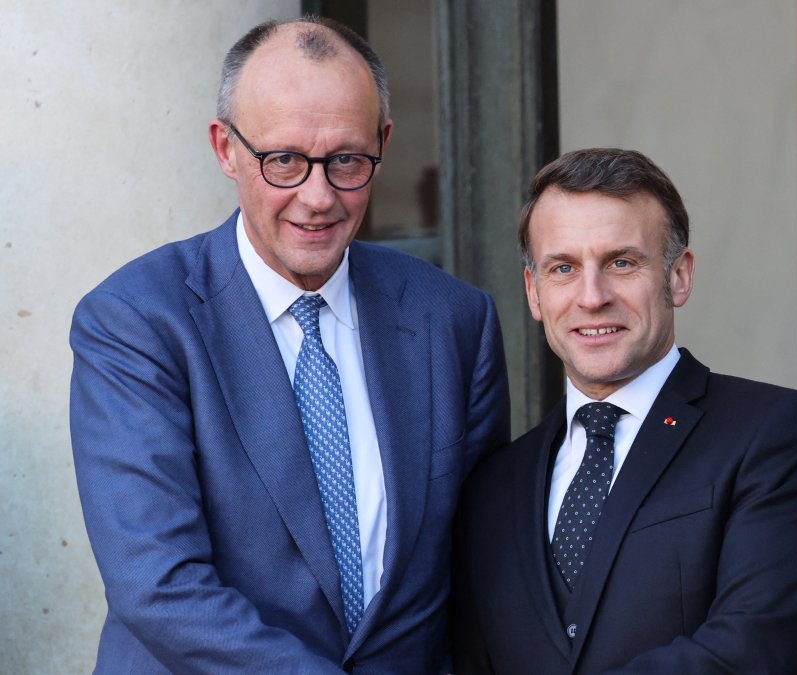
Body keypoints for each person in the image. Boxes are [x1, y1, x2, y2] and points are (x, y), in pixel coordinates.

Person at [69, 17, 509, 673]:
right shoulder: (136, 321)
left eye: (347, 160)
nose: (318, 197)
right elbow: (158, 584)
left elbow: (478, 568)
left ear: (383, 143)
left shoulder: (454, 318)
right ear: (225, 149)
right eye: (284, 160)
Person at [452, 148, 797, 674]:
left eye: (621, 263)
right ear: (534, 293)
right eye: (563, 268)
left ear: (678, 277)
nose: (592, 297)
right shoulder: (491, 489)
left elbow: (753, 651)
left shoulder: (775, 434)